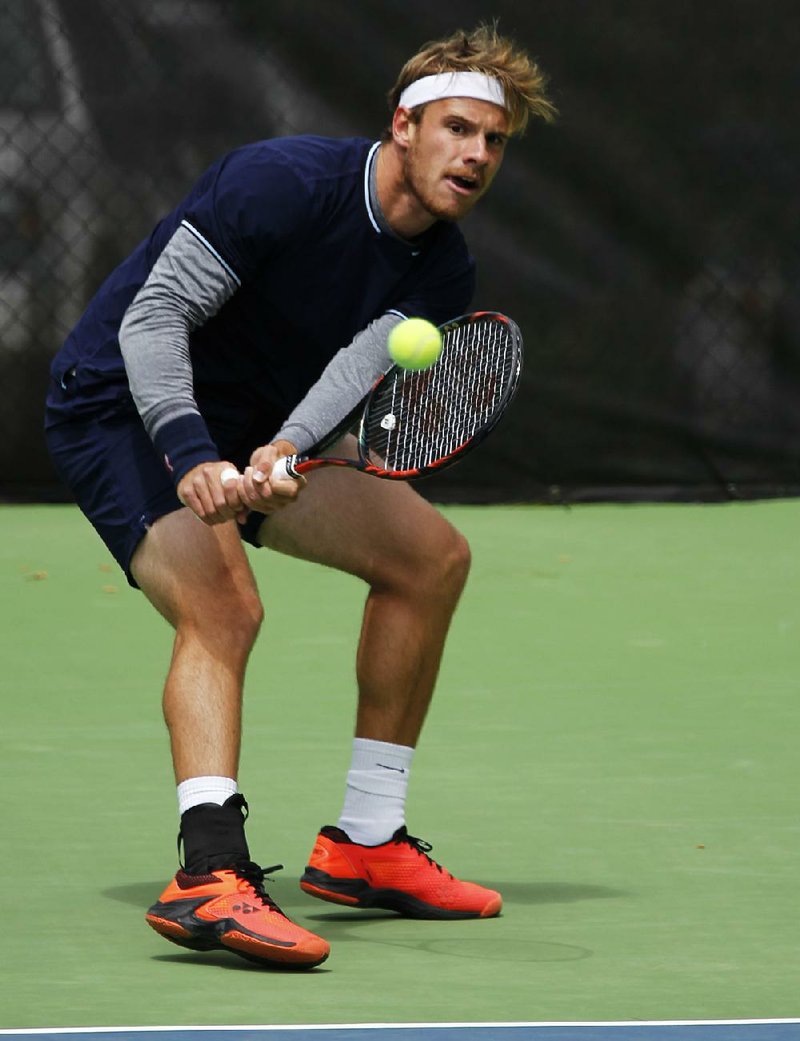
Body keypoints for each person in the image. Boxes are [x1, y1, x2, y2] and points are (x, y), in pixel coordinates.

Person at [45, 23, 556, 970]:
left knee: (430, 560)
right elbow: (156, 317)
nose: (478, 155)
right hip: (123, 404)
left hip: (249, 423)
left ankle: (366, 844)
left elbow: (352, 375)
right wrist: (193, 451)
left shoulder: (443, 268)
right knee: (225, 606)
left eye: (495, 142)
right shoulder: (280, 183)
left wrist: (283, 450)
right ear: (402, 125)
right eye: (458, 129)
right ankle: (207, 873)